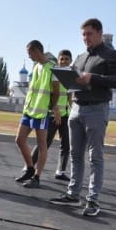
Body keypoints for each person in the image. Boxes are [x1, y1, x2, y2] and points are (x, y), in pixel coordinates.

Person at [49, 18, 116, 216]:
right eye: (83, 34)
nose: (85, 38)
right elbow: (75, 80)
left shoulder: (111, 55)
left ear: (99, 33)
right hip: (76, 108)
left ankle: (93, 200)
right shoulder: (80, 57)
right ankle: (73, 194)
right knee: (75, 154)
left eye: (89, 34)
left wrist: (92, 78)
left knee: (95, 156)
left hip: (96, 109)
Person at [15, 40, 60, 188]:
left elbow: (56, 91)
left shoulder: (53, 67)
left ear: (36, 51)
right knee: (19, 140)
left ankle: (37, 177)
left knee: (42, 145)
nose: (29, 56)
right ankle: (29, 168)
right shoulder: (35, 67)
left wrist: (53, 107)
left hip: (41, 112)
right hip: (29, 110)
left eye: (29, 53)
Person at [31, 50, 72, 182]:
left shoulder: (71, 76)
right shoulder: (54, 74)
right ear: (58, 60)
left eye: (66, 59)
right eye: (62, 59)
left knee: (66, 144)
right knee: (44, 143)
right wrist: (54, 110)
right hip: (52, 115)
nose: (64, 61)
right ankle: (29, 168)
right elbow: (49, 94)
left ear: (70, 61)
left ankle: (60, 171)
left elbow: (70, 96)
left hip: (65, 115)